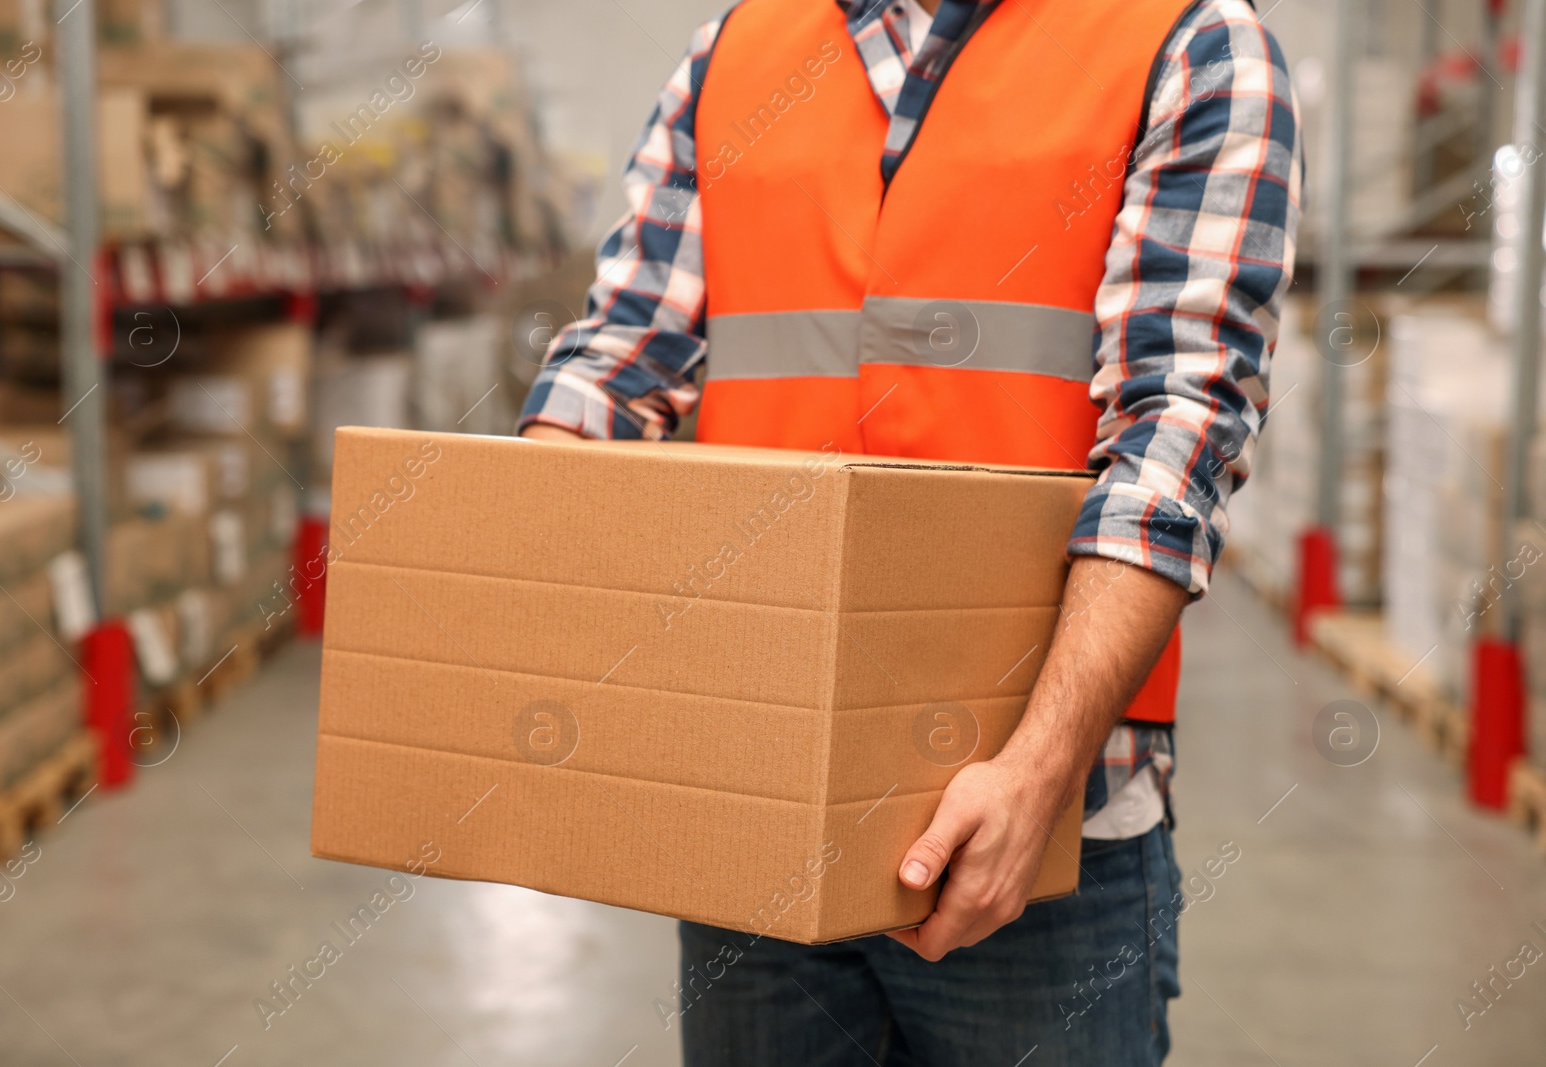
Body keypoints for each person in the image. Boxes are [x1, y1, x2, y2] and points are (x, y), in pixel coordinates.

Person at [520, 0, 1300, 1060]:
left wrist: (1035, 774)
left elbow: (1179, 435)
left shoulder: (1186, 42)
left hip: (1040, 836)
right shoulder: (738, 48)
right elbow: (623, 349)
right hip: (754, 796)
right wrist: (514, 583)